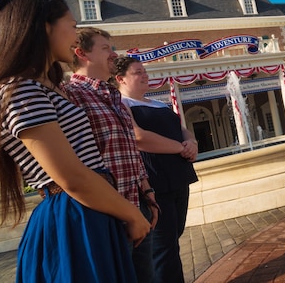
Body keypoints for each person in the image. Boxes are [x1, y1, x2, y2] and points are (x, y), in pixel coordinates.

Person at [0, 0, 150, 282]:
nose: (77, 37)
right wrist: (132, 214)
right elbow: (71, 177)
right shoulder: (22, 90)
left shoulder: (43, 87)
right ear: (45, 27)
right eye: (73, 26)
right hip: (74, 216)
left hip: (88, 209)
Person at [64, 27, 196, 282]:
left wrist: (146, 192)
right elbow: (136, 139)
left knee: (159, 254)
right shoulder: (73, 95)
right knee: (160, 254)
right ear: (81, 54)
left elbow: (127, 148)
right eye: (106, 49)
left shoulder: (111, 96)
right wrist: (181, 149)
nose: (113, 54)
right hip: (114, 206)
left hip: (143, 197)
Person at [114, 56, 199, 283]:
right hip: (155, 182)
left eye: (144, 71)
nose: (144, 75)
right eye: (137, 72)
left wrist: (192, 143)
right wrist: (180, 148)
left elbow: (183, 129)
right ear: (120, 79)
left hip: (179, 178)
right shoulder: (122, 104)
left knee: (174, 237)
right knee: (163, 248)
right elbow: (139, 137)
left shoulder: (158, 103)